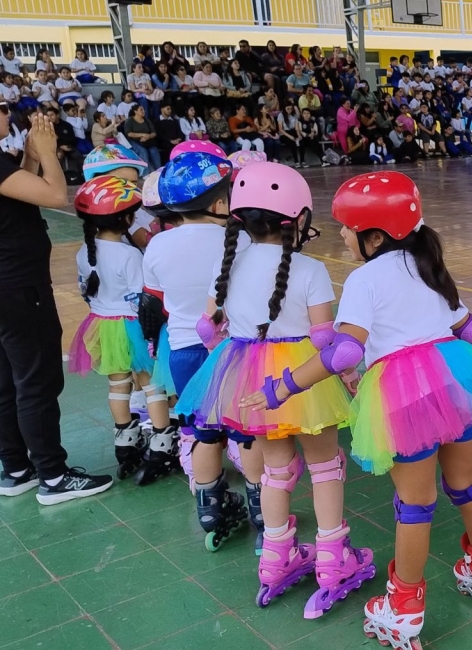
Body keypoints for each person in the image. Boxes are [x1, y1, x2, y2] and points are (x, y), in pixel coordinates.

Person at [240, 171, 472, 647]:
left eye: (346, 228)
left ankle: (404, 607)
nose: (341, 235)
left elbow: (346, 353)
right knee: (467, 484)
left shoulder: (363, 279)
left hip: (404, 396)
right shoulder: (428, 262)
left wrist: (282, 387)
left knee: (414, 507)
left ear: (374, 236)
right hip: (458, 381)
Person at [174, 162, 372, 617]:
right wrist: (347, 376)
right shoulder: (310, 269)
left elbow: (209, 325)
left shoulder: (227, 265)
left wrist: (230, 364)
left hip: (249, 373)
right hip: (304, 376)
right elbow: (325, 340)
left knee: (273, 471)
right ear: (298, 220)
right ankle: (331, 559)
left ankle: (276, 558)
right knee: (326, 465)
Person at [150, 151, 264, 550]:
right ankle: (262, 505)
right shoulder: (241, 239)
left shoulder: (157, 246)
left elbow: (161, 297)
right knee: (247, 431)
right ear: (219, 203)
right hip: (232, 350)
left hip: (182, 351)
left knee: (203, 431)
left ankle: (210, 508)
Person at [0, 109, 115, 504]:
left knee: (7, 382)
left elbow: (18, 193)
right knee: (36, 381)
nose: (6, 113)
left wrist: (30, 155)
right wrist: (49, 153)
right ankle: (53, 475)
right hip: (18, 286)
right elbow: (52, 195)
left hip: (6, 290)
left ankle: (15, 468)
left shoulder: (3, 166)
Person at [68, 176, 172, 482]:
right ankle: (162, 443)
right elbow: (142, 298)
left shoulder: (83, 252)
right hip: (131, 327)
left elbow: (86, 291)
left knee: (118, 386)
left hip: (102, 324)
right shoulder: (129, 255)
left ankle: (124, 443)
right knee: (152, 386)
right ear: (127, 218)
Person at [121, 104, 163, 169]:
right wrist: (142, 135)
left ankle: (159, 170)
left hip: (147, 140)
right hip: (134, 141)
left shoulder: (147, 120)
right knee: (143, 151)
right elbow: (129, 133)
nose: (143, 111)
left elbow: (154, 133)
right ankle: (145, 173)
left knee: (154, 151)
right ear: (135, 111)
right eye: (141, 110)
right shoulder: (130, 120)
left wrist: (148, 136)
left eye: (143, 110)